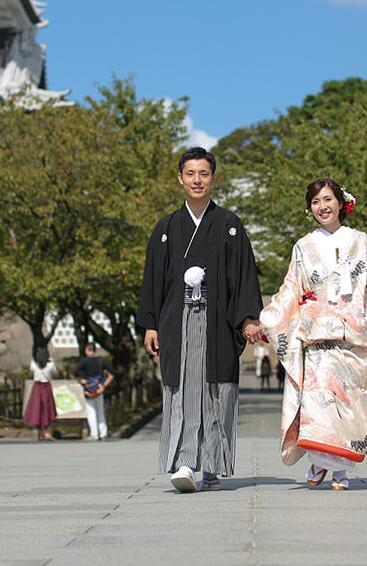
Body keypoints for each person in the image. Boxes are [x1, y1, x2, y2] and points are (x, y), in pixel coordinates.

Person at [259, 179, 367, 491]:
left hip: (355, 336)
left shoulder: (361, 241)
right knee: (319, 403)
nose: (322, 207)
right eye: (315, 202)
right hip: (318, 336)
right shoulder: (302, 247)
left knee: (352, 405)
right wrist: (267, 318)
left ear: (341, 202)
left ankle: (339, 471)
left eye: (327, 200)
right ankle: (323, 461)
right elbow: (290, 289)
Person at [137, 147, 264, 493]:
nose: (197, 180)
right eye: (190, 174)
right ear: (180, 178)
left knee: (215, 390)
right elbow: (153, 279)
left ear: (213, 178)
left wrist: (248, 319)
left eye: (203, 174)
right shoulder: (165, 228)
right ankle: (185, 462)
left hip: (217, 320)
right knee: (183, 389)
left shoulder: (229, 225)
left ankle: (212, 465)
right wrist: (150, 323)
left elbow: (243, 277)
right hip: (177, 322)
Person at [75, 342, 115, 441]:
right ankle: (103, 434)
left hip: (89, 390)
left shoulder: (84, 361)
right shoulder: (101, 361)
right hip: (99, 389)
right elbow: (112, 373)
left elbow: (76, 373)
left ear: (86, 350)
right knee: (100, 411)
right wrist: (104, 385)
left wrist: (83, 382)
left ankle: (94, 434)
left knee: (91, 412)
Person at [23, 346, 58, 441]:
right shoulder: (50, 365)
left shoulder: (33, 364)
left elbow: (30, 374)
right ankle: (47, 432)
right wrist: (51, 361)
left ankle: (40, 432)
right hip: (46, 386)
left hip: (37, 387)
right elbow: (56, 374)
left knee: (37, 409)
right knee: (48, 409)